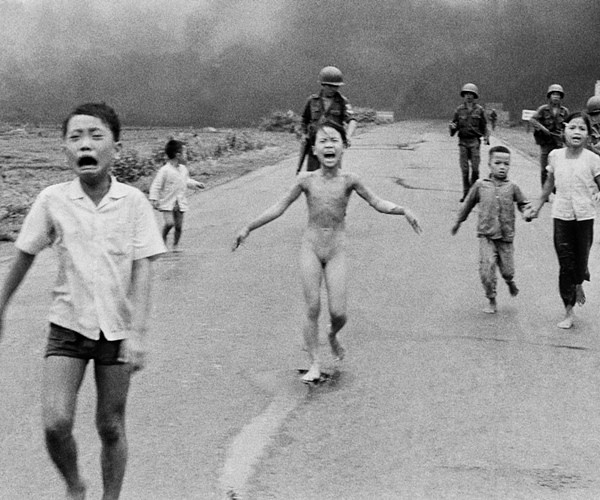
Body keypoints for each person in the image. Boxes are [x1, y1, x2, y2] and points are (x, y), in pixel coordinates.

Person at [0, 103, 166, 499]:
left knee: (111, 425)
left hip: (116, 332)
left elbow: (143, 267)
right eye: (75, 138)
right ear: (65, 150)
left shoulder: (133, 202)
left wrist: (138, 333)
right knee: (55, 423)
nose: (85, 144)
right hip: (68, 328)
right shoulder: (52, 200)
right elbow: (24, 254)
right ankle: (75, 486)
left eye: (95, 135)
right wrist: (1, 304)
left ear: (117, 149)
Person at [233, 122, 421, 382]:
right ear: (314, 149)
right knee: (312, 307)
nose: (329, 145)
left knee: (339, 313)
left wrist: (403, 210)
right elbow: (279, 207)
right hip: (310, 247)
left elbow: (377, 202)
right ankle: (314, 363)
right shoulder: (306, 180)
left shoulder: (350, 180)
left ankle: (332, 334)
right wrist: (248, 227)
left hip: (336, 250)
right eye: (323, 141)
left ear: (343, 147)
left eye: (334, 140)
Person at [529, 112, 600, 329]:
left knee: (581, 262)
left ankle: (578, 281)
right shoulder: (555, 156)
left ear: (588, 135)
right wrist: (537, 205)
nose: (577, 132)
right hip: (561, 216)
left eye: (582, 129)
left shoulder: (593, 159)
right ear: (564, 131)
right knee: (565, 263)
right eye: (572, 127)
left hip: (585, 217)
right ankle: (568, 310)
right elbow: (549, 183)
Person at [451, 146, 530, 314]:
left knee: (508, 270)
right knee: (486, 270)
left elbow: (523, 203)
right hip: (486, 235)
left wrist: (527, 212)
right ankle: (491, 298)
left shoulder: (513, 187)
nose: (502, 167)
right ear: (489, 164)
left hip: (506, 236)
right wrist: (458, 221)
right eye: (498, 163)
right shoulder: (480, 185)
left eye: (506, 164)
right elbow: (467, 204)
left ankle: (509, 281)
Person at [297, 66, 358, 173]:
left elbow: (352, 120)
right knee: (313, 175)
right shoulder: (312, 101)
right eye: (330, 86)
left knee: (333, 174)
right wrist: (304, 134)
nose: (333, 89)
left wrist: (348, 137)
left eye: (336, 86)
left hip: (333, 145)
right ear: (323, 85)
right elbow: (304, 120)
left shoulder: (342, 101)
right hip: (316, 144)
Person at [149, 139, 205, 252]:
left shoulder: (183, 169)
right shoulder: (164, 170)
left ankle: (175, 246)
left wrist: (196, 184)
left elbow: (186, 181)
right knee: (170, 223)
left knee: (178, 226)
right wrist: (154, 199)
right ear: (178, 155)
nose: (186, 156)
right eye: (185, 153)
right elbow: (156, 185)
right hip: (167, 202)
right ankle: (162, 239)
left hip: (180, 202)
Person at [449, 83, 489, 202]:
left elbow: (484, 126)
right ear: (464, 95)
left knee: (475, 169)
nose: (469, 96)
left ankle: (473, 193)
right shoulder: (459, 110)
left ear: (475, 96)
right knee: (465, 170)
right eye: (466, 94)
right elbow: (453, 128)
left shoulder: (479, 110)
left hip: (474, 141)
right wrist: (451, 127)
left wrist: (486, 137)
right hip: (463, 142)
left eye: (471, 94)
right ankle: (466, 194)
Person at [529, 84, 569, 187]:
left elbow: (568, 125)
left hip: (558, 142)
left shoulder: (564, 111)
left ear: (561, 97)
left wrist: (564, 134)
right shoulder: (543, 109)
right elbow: (533, 120)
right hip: (546, 142)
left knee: (558, 167)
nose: (556, 97)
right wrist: (543, 129)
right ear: (549, 96)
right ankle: (544, 190)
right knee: (544, 168)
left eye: (558, 95)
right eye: (553, 94)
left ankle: (556, 188)